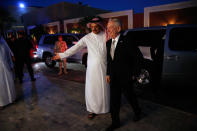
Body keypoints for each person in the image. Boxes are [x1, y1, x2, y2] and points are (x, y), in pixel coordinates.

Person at [53, 16, 110, 119]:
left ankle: (105, 107)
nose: (94, 29)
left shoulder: (106, 36)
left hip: (104, 68)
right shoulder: (87, 37)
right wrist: (62, 55)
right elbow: (75, 48)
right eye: (92, 27)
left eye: (96, 26)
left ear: (100, 26)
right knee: (92, 90)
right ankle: (93, 110)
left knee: (104, 88)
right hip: (92, 69)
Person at [106, 18, 143, 131]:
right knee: (114, 100)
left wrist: (134, 74)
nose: (108, 30)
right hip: (113, 77)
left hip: (126, 77)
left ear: (118, 28)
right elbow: (110, 61)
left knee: (130, 96)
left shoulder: (127, 40)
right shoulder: (108, 43)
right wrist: (108, 73)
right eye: (107, 28)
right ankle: (115, 122)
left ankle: (138, 112)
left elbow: (138, 58)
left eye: (111, 28)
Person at [0, 35, 16, 109]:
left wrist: (11, 64)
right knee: (1, 85)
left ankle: (11, 99)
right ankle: (1, 103)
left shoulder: (3, 43)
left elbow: (9, 53)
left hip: (6, 66)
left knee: (9, 82)